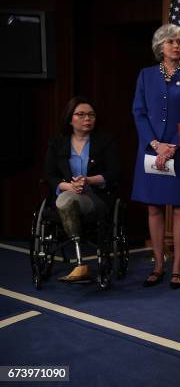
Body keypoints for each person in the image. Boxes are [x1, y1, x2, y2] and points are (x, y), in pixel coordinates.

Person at [132, 23, 180, 289]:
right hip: (150, 149)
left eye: (179, 42)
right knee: (153, 207)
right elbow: (138, 112)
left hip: (179, 150)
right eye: (171, 41)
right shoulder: (146, 75)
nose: (176, 46)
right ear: (159, 46)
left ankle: (177, 268)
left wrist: (172, 146)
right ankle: (158, 265)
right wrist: (155, 144)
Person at [44, 96, 120, 282]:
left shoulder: (105, 141)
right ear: (70, 119)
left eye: (91, 115)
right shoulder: (57, 143)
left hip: (96, 197)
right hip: (67, 194)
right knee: (66, 198)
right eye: (81, 114)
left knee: (66, 200)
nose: (87, 119)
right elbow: (50, 175)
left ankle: (80, 264)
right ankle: (80, 264)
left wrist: (87, 180)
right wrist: (69, 185)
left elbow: (114, 173)